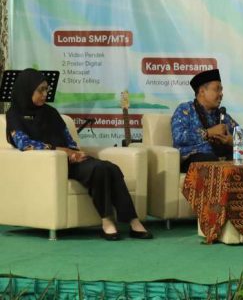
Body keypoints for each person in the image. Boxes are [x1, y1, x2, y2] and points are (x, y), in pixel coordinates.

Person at [4, 68, 152, 241]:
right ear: (27, 90)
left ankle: (133, 221)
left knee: (110, 168)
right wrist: (62, 151)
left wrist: (74, 152)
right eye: (40, 90)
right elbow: (24, 144)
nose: (45, 94)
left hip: (70, 160)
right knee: (99, 170)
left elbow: (68, 139)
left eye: (46, 89)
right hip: (48, 166)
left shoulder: (51, 112)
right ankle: (107, 221)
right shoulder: (14, 115)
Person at [171, 69, 239, 173]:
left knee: (240, 156)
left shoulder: (222, 116)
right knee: (209, 160)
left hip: (219, 159)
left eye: (221, 90)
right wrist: (208, 133)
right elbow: (179, 137)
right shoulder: (185, 110)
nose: (221, 94)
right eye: (217, 89)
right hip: (193, 160)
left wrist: (232, 140)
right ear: (202, 91)